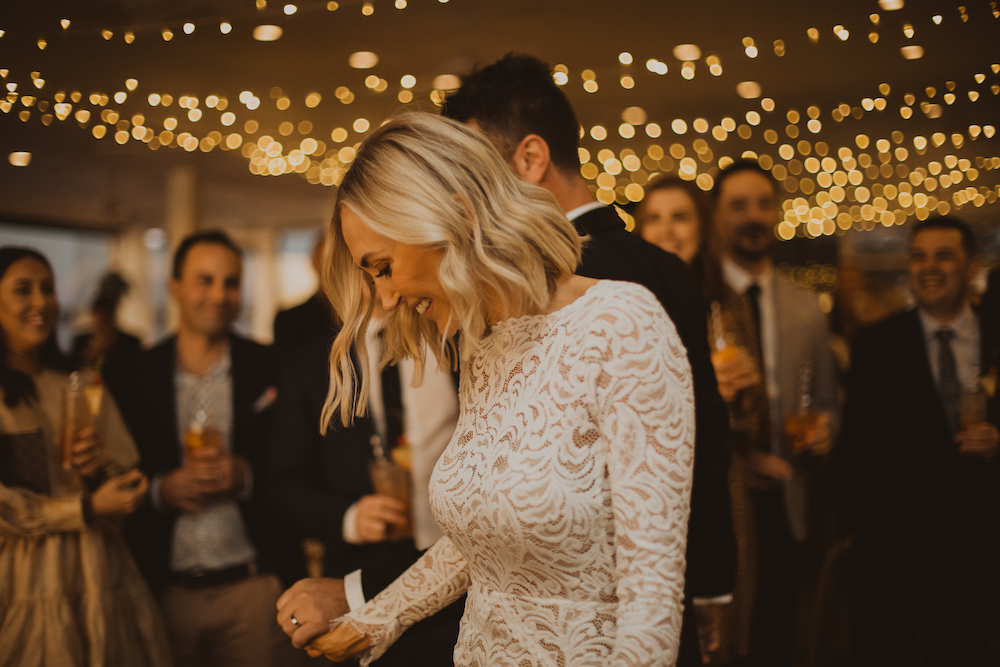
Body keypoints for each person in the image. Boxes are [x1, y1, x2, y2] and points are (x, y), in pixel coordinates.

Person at [276, 113, 695, 666]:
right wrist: (376, 618)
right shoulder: (482, 347)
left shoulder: (622, 323)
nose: (388, 295)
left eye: (383, 266)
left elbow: (653, 601)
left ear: (453, 212)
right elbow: (484, 544)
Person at [440, 53, 734, 666]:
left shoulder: (575, 288)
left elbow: (681, 440)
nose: (457, 194)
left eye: (470, 168)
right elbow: (705, 440)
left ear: (529, 158)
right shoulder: (666, 267)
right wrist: (709, 580)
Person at [103, 231, 305, 667]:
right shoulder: (130, 376)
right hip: (161, 589)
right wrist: (159, 490)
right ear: (173, 287)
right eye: (205, 280)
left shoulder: (272, 366)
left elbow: (301, 466)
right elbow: (107, 475)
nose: (219, 294)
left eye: (230, 282)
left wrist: (245, 476)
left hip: (254, 590)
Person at [836, 216, 999, 666]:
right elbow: (854, 451)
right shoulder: (876, 343)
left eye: (944, 256)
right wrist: (859, 535)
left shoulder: (995, 336)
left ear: (971, 266)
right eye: (919, 256)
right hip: (890, 560)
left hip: (978, 554)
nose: (929, 267)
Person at [270, 295, 464, 666]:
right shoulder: (311, 364)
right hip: (360, 577)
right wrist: (348, 517)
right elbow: (284, 486)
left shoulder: (457, 341)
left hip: (460, 582)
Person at [0, 246, 170, 667]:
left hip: (103, 578)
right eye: (24, 290)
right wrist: (87, 507)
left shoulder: (80, 381)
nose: (42, 302)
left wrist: (100, 473)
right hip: (24, 585)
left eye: (48, 289)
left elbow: (128, 478)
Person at [636, 177, 770, 664]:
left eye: (681, 216)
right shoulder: (627, 302)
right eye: (655, 218)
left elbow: (754, 424)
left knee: (726, 635)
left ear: (701, 227)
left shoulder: (728, 303)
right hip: (649, 491)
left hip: (720, 485)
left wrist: (747, 395)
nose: (668, 230)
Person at [713, 160, 839, 666]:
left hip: (788, 497)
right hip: (723, 498)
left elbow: (828, 400)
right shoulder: (702, 298)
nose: (753, 216)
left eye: (764, 204)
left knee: (779, 636)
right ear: (717, 215)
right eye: (738, 205)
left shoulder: (806, 306)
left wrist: (829, 429)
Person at [71, 271, 142, 372]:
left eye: (105, 320)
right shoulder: (80, 342)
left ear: (113, 316)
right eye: (98, 314)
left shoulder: (130, 343)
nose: (101, 323)